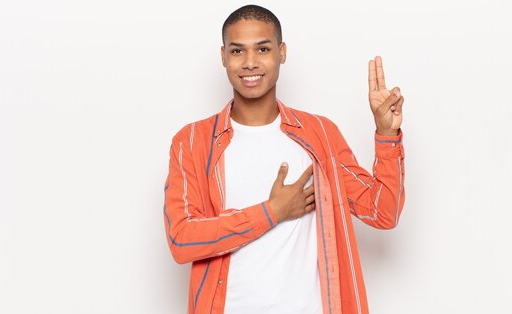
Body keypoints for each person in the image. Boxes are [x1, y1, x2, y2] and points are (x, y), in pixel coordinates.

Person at [163, 4, 405, 314]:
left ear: (282, 52)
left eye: (262, 49)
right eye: (238, 52)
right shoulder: (192, 142)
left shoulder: (320, 134)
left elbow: (381, 212)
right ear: (223, 57)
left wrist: (386, 136)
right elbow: (182, 240)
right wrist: (271, 212)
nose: (250, 63)